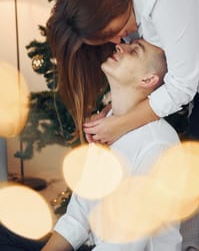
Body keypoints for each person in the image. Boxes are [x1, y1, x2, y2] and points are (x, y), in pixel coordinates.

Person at [47, 0, 199, 251]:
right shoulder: (130, 10)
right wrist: (113, 114)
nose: (119, 42)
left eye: (119, 36)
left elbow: (180, 85)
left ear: (108, 7)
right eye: (109, 40)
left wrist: (119, 124)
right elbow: (79, 213)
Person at [41, 39, 182, 251]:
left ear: (148, 79)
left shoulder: (157, 145)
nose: (119, 46)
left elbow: (125, 244)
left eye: (134, 51)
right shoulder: (106, 127)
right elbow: (78, 216)